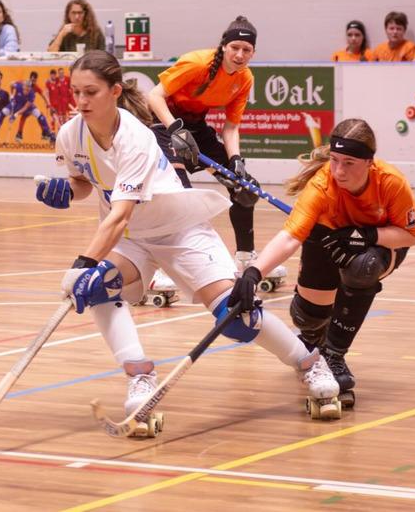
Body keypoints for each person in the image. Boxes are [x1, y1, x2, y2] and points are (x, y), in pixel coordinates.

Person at [36, 51, 339, 420]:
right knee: (100, 286)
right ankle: (139, 375)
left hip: (178, 229)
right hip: (133, 238)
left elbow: (119, 214)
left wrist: (82, 263)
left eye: (91, 92)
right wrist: (67, 191)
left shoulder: (137, 138)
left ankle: (309, 362)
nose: (81, 101)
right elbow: (86, 181)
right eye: (76, 92)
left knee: (236, 318)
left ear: (115, 91)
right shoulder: (70, 134)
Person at [230, 119, 415, 402]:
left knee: (362, 268)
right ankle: (313, 339)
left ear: (369, 162)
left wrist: (366, 235)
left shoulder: (390, 182)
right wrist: (254, 273)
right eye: (334, 160)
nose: (338, 171)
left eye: (349, 163)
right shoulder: (321, 185)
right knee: (308, 317)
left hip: (379, 244)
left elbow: (412, 234)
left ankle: (334, 355)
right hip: (327, 238)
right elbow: (290, 237)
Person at [147, 16, 283, 280]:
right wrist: (175, 130)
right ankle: (163, 269)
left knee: (243, 188)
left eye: (247, 50)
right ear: (223, 46)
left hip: (196, 128)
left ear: (253, 53)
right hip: (164, 125)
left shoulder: (244, 79)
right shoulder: (198, 63)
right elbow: (154, 96)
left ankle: (245, 258)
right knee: (179, 194)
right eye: (235, 47)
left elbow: (230, 128)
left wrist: (236, 161)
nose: (240, 54)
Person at [10, 71, 55, 143]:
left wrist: (48, 104)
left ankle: (46, 132)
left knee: (41, 116)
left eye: (35, 80)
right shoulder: (22, 83)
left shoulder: (35, 87)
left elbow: (43, 94)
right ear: (30, 78)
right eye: (32, 80)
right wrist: (12, 95)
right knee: (23, 117)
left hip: (29, 105)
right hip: (21, 105)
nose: (33, 82)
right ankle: (19, 134)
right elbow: (12, 84)